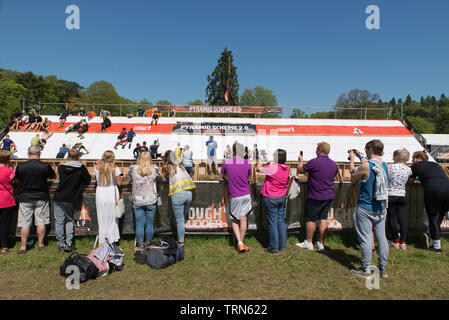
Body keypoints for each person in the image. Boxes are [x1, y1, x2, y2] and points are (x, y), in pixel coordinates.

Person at [348, 139, 389, 279]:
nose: (365, 150)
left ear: (371, 149)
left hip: (365, 207)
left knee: (365, 238)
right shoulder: (385, 165)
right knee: (381, 238)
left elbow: (353, 178)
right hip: (381, 207)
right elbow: (371, 163)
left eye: (366, 149)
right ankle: (382, 267)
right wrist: (361, 157)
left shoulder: (365, 166)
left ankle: (365, 268)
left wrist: (352, 160)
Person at [296, 142, 338, 251]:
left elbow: (300, 170)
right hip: (328, 195)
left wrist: (300, 161)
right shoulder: (334, 164)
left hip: (315, 195)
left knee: (311, 218)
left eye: (316, 149)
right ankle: (321, 243)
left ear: (319, 150)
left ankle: (309, 242)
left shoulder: (314, 162)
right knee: (324, 218)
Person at [15, 146, 56, 254]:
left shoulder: (21, 166)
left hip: (26, 196)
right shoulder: (45, 166)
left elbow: (17, 179)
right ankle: (41, 244)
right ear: (40, 154)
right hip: (41, 196)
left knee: (25, 223)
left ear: (28, 154)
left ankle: (23, 247)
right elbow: (53, 176)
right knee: (41, 221)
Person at [409, 150, 449, 253]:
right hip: (447, 189)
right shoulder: (435, 164)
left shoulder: (416, 166)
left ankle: (437, 247)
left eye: (413, 158)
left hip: (433, 191)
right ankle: (429, 234)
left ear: (418, 158)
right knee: (440, 217)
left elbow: (410, 180)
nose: (412, 161)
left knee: (433, 218)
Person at [54, 149, 91, 253]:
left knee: (59, 221)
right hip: (71, 196)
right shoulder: (81, 168)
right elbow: (87, 178)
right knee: (69, 220)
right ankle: (69, 243)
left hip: (59, 196)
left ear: (68, 156)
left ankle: (61, 244)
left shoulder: (61, 167)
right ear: (78, 157)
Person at [220, 142, 252, 253]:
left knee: (234, 219)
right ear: (242, 151)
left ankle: (240, 243)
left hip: (235, 195)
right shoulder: (247, 163)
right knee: (243, 219)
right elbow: (249, 178)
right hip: (246, 194)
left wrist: (226, 177)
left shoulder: (227, 163)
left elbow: (221, 177)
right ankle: (241, 243)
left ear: (233, 152)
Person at [256, 149, 289, 253]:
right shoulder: (287, 168)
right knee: (281, 221)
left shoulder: (273, 168)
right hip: (281, 196)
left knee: (273, 222)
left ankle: (274, 248)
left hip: (271, 197)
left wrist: (261, 159)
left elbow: (258, 169)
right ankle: (282, 245)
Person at [128, 151, 162, 250]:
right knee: (150, 224)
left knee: (139, 224)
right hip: (150, 199)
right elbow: (160, 177)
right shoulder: (154, 169)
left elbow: (129, 177)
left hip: (138, 200)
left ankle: (139, 245)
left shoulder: (133, 169)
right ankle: (148, 244)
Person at [161, 150, 196, 247]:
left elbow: (164, 178)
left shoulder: (167, 167)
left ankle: (181, 241)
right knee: (182, 218)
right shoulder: (181, 166)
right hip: (189, 193)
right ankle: (180, 236)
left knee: (179, 219)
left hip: (178, 194)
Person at [94, 151, 122, 246]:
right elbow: (119, 183)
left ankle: (102, 238)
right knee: (112, 216)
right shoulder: (115, 168)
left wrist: (98, 162)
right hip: (111, 191)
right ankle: (112, 237)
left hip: (101, 191)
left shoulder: (97, 167)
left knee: (101, 216)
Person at [387, 149, 412, 250]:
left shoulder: (391, 167)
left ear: (397, 156)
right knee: (402, 218)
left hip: (390, 193)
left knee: (392, 218)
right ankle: (403, 242)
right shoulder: (408, 169)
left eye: (394, 155)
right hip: (402, 194)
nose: (392, 157)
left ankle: (395, 241)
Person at [0, 150, 15, 253]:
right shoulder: (9, 171)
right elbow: (14, 179)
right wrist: (12, 168)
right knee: (4, 224)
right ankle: (4, 246)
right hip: (6, 200)